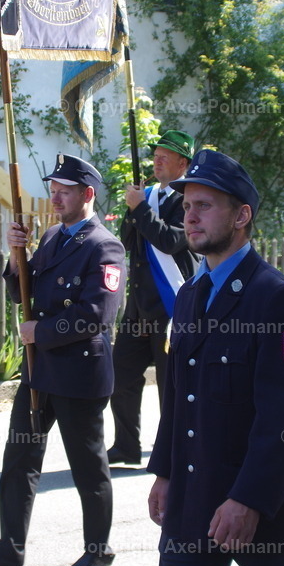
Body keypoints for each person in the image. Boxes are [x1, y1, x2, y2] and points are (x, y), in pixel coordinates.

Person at [144, 150, 284, 566]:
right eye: (187, 207)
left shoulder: (274, 297)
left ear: (242, 216)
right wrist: (164, 471)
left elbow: (283, 419)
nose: (191, 216)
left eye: (205, 205)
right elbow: (179, 398)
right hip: (193, 499)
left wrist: (247, 501)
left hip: (258, 510)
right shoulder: (190, 294)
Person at [0, 153, 125, 566]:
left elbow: (96, 315)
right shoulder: (52, 237)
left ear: (87, 194)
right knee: (19, 460)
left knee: (87, 467)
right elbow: (23, 293)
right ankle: (9, 550)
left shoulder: (104, 246)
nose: (55, 198)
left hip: (78, 373)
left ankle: (98, 551)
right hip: (40, 370)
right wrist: (18, 256)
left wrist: (40, 331)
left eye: (64, 192)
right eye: (52, 191)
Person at [108, 130, 199, 466]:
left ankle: (174, 450)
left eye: (166, 155)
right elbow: (129, 242)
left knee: (169, 385)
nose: (157, 160)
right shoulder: (148, 195)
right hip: (140, 306)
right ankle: (126, 445)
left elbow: (171, 241)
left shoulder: (189, 199)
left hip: (172, 304)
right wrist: (135, 209)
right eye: (156, 154)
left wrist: (141, 209)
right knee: (121, 375)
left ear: (183, 162)